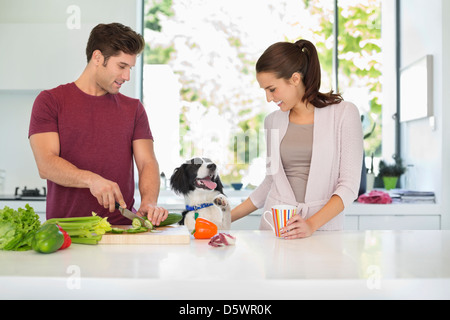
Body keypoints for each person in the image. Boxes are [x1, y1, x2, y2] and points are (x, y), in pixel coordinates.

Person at [28, 23, 168, 226]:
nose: (127, 76)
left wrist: (148, 202)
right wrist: (91, 180)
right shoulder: (50, 101)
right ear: (97, 58)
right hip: (67, 234)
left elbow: (147, 163)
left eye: (130, 68)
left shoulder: (134, 109)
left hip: (121, 230)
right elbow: (46, 164)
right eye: (121, 66)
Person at [231, 39, 363, 239]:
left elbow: (349, 186)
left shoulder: (344, 113)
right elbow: (270, 181)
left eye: (272, 89)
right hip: (276, 230)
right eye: (264, 90)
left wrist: (310, 225)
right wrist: (224, 218)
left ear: (294, 79)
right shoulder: (272, 121)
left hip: (321, 232)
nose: (268, 98)